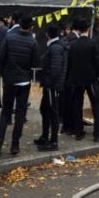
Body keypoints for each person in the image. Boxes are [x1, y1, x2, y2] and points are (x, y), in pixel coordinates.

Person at [0, 15, 40, 157]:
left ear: (19, 24)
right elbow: (35, 62)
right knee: (20, 114)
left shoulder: (9, 38)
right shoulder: (32, 41)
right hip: (24, 80)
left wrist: (4, 72)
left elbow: (0, 57)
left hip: (10, 79)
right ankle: (15, 145)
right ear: (31, 27)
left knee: (5, 112)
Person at [65, 17, 99, 142]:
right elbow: (97, 62)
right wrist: (97, 75)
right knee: (96, 104)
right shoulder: (93, 43)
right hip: (91, 78)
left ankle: (78, 131)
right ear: (88, 29)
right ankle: (98, 133)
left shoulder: (73, 44)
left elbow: (70, 62)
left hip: (77, 78)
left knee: (77, 104)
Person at [36, 23, 68, 151]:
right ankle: (45, 136)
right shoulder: (55, 46)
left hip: (52, 86)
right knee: (44, 109)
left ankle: (53, 141)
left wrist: (48, 81)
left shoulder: (55, 48)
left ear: (47, 34)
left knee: (52, 112)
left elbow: (55, 69)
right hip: (50, 84)